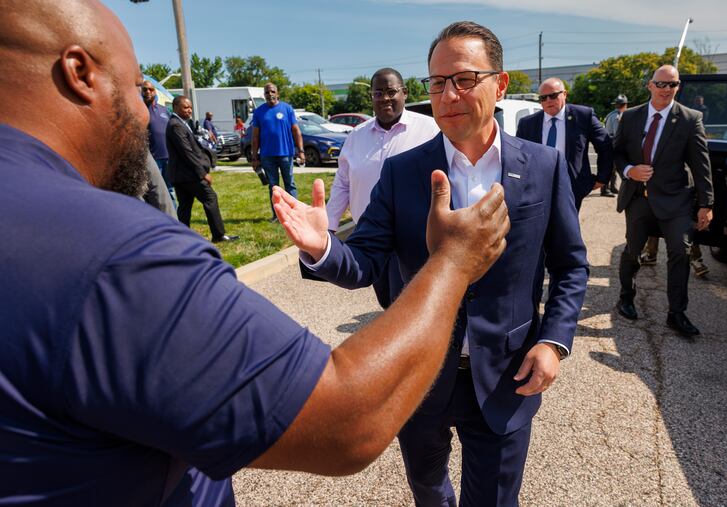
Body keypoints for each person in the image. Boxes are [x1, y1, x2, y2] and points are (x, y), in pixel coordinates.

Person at [0, 2, 512, 505]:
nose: (146, 112)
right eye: (138, 89)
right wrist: (452, 262)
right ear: (79, 74)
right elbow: (348, 421)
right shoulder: (117, 254)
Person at [274, 21, 588, 506]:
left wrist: (553, 342)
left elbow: (570, 266)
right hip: (418, 376)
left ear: (500, 84)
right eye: (438, 82)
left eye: (465, 79)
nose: (448, 95)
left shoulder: (543, 166)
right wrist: (323, 247)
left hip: (506, 375)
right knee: (427, 489)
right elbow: (364, 262)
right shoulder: (403, 171)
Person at [325, 67, 439, 308]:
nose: (385, 98)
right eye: (378, 93)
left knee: (414, 303)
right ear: (371, 97)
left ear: (404, 93)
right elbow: (343, 183)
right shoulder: (356, 136)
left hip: (413, 236)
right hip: (371, 237)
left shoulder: (430, 130)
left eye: (391, 91)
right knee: (387, 300)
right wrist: (329, 225)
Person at [614, 64, 713, 337]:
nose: (666, 89)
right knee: (632, 251)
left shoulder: (690, 119)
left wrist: (707, 204)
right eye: (661, 84)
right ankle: (626, 298)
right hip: (639, 198)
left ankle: (676, 313)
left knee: (680, 251)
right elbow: (617, 153)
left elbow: (701, 165)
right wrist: (629, 171)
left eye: (673, 84)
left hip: (676, 199)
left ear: (678, 87)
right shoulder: (631, 117)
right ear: (650, 85)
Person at [516, 77, 613, 209]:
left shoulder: (583, 116)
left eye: (553, 96)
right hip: (538, 188)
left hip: (573, 188)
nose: (548, 100)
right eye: (543, 98)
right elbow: (519, 155)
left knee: (568, 222)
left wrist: (602, 177)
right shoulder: (527, 123)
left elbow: (605, 145)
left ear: (565, 94)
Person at [166, 95, 238, 243]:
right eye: (185, 107)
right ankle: (218, 235)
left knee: (185, 206)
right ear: (175, 107)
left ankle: (181, 238)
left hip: (181, 175)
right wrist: (202, 173)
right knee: (210, 198)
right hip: (188, 175)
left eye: (190, 107)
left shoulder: (180, 123)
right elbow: (186, 152)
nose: (189, 110)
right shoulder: (176, 125)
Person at [250, 83, 305, 222]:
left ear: (277, 93)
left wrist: (301, 151)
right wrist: (254, 157)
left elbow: (296, 131)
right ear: (264, 95)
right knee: (274, 187)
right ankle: (277, 215)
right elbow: (255, 136)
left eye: (272, 91)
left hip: (286, 154)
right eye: (267, 92)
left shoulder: (287, 109)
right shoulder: (259, 112)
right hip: (267, 156)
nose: (270, 94)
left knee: (290, 184)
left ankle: (294, 214)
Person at [142, 79, 176, 204]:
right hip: (152, 160)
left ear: (155, 92)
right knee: (154, 192)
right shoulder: (140, 110)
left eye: (150, 89)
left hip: (168, 158)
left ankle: (173, 215)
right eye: (144, 89)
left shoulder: (165, 110)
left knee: (170, 190)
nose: (147, 92)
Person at [602, 94, 628, 196]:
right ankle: (605, 189)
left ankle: (612, 187)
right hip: (613, 142)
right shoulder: (617, 116)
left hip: (609, 142)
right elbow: (618, 133)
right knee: (611, 167)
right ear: (624, 105)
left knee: (613, 167)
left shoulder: (612, 114)